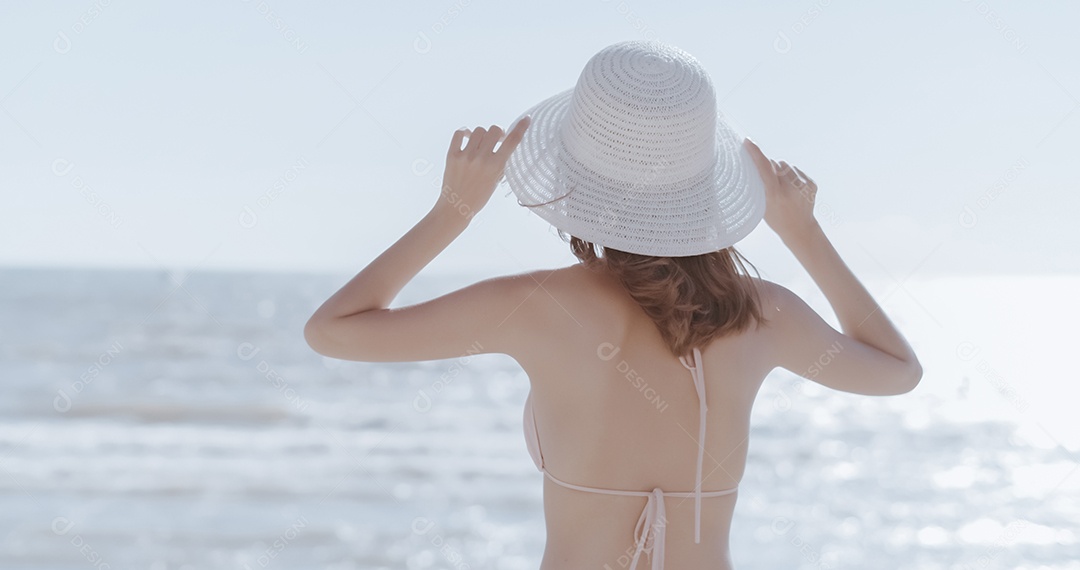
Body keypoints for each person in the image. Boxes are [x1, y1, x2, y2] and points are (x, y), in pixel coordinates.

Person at [304, 40, 922, 570]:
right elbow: (898, 371)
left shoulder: (537, 306)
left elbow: (334, 331)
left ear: (573, 174)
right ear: (704, 183)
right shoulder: (761, 314)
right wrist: (804, 234)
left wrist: (453, 213)